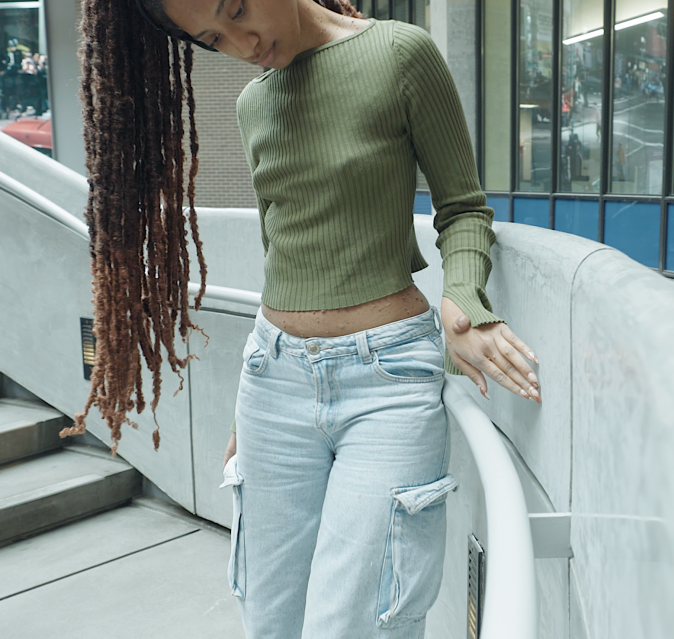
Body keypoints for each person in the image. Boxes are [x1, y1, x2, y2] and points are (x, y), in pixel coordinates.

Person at [63, 0, 542, 637]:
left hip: (388, 383)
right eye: (213, 39)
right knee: (270, 619)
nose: (242, 43)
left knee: (356, 623)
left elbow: (463, 208)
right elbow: (282, 250)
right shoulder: (253, 103)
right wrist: (251, 408)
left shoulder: (400, 55)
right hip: (274, 381)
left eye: (237, 9)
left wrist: (463, 299)